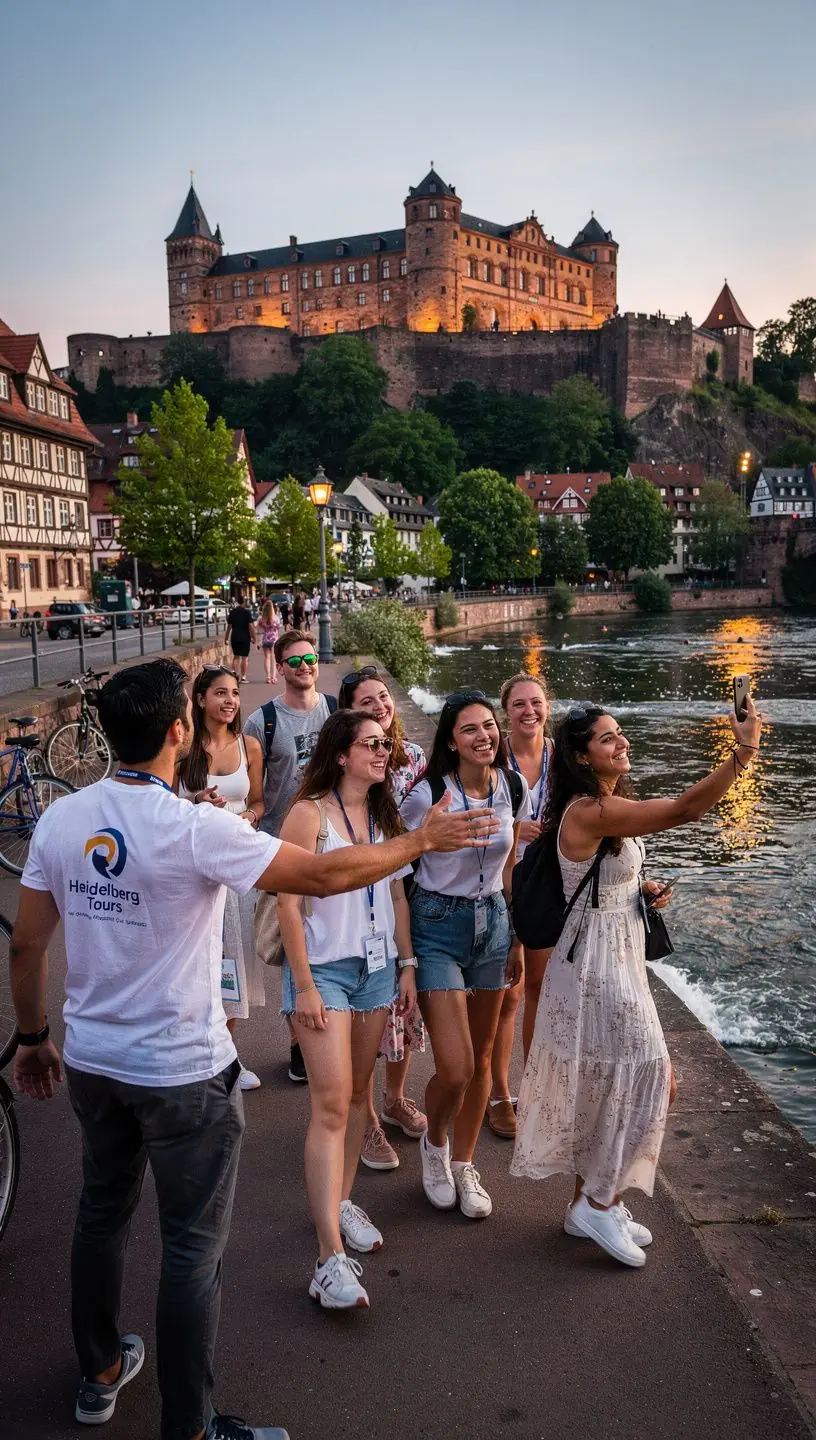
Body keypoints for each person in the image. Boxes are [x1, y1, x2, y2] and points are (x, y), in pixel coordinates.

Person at [10, 659, 497, 1440]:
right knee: (190, 1252)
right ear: (178, 731)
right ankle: (192, 1426)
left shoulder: (64, 820)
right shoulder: (198, 827)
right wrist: (422, 840)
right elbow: (326, 875)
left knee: (101, 1216)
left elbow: (27, 947)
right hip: (183, 1072)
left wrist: (33, 1038)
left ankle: (100, 1371)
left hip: (95, 1061)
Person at [512, 697, 762, 1267]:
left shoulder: (606, 807)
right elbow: (683, 809)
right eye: (607, 738)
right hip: (596, 968)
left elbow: (606, 876)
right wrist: (742, 752)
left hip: (615, 955)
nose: (621, 743)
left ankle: (592, 1202)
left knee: (615, 1082)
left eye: (619, 734)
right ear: (580, 756)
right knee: (653, 1074)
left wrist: (639, 891)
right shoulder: (588, 812)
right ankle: (597, 1202)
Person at [277, 710, 418, 1309]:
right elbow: (286, 900)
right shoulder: (309, 813)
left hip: (377, 969)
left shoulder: (385, 816)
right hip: (325, 972)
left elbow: (393, 892)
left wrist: (406, 964)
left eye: (384, 745)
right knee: (331, 1104)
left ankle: (339, 1202)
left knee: (359, 1096)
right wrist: (304, 984)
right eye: (369, 745)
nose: (381, 753)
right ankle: (327, 1258)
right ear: (340, 753)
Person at [400, 690, 529, 1220]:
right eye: (470, 729)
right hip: (437, 928)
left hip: (493, 925)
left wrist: (516, 934)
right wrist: (405, 958)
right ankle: (435, 1146)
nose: (485, 736)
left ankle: (465, 1162)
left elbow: (511, 860)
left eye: (489, 727)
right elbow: (397, 869)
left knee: (480, 1061)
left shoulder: (512, 785)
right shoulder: (427, 794)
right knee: (453, 1067)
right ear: (450, 741)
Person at [337, 666, 427, 1171]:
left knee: (401, 1008)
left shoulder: (413, 756)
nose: (380, 706)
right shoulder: (348, 764)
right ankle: (366, 1117)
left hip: (405, 884)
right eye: (366, 701)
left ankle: (394, 1099)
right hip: (361, 887)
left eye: (384, 696)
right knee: (367, 1009)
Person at [243, 631, 338, 1083]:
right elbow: (257, 794)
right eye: (294, 660)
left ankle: (331, 1027)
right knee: (289, 947)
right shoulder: (260, 722)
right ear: (279, 667)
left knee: (333, 939)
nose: (304, 666)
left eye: (310, 658)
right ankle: (299, 1042)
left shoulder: (336, 711)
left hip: (334, 841)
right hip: (281, 848)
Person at [177, 666, 266, 1090]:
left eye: (233, 692)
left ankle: (227, 1057)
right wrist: (197, 801)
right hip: (194, 869)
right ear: (200, 699)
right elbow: (164, 805)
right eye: (219, 693)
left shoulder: (249, 745)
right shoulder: (182, 750)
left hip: (237, 867)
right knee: (200, 961)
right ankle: (199, 1052)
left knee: (234, 961)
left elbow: (260, 802)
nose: (229, 701)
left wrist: (247, 815)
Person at [487, 673, 554, 1140]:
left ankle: (533, 1090)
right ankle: (498, 1093)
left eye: (536, 702)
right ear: (505, 710)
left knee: (542, 992)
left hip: (551, 882)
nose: (529, 711)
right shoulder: (494, 755)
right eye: (519, 705)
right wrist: (514, 831)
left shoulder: (562, 754)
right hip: (500, 879)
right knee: (507, 994)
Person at [225, 593, 255, 684]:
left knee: (236, 657)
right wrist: (254, 637)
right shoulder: (247, 612)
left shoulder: (232, 612)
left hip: (235, 637)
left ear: (237, 601)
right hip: (245, 637)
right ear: (244, 602)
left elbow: (229, 627)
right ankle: (243, 677)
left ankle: (234, 676)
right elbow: (250, 626)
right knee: (244, 658)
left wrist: (226, 638)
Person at [257, 600, 280, 685]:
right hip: (274, 639)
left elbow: (259, 630)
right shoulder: (276, 618)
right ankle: (274, 677)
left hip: (265, 639)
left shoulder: (261, 619)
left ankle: (268, 677)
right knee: (274, 659)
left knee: (267, 658)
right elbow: (278, 628)